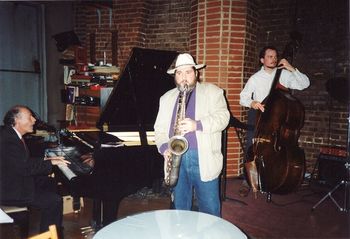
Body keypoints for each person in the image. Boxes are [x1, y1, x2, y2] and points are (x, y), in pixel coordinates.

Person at [154, 53, 230, 217]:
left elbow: (224, 118)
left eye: (188, 72)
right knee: (180, 209)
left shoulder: (213, 92)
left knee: (209, 209)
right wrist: (164, 148)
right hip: (176, 159)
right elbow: (159, 129)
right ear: (175, 76)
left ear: (196, 73)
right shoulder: (166, 98)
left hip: (204, 158)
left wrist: (197, 125)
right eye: (179, 73)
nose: (184, 77)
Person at [238, 45, 310, 196]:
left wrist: (291, 68)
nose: (274, 59)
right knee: (252, 147)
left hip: (278, 121)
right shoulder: (255, 78)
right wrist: (253, 103)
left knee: (276, 149)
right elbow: (243, 97)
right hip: (260, 117)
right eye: (270, 56)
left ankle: (272, 178)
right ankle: (247, 181)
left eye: (275, 56)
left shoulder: (283, 75)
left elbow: (305, 84)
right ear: (262, 60)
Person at [0, 105, 70, 237]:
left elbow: (21, 162)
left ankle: (52, 229)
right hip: (9, 190)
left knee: (50, 182)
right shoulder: (8, 141)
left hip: (12, 179)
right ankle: (49, 234)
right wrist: (50, 162)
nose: (34, 120)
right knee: (54, 201)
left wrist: (47, 159)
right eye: (30, 117)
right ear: (17, 120)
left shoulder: (10, 134)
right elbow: (24, 168)